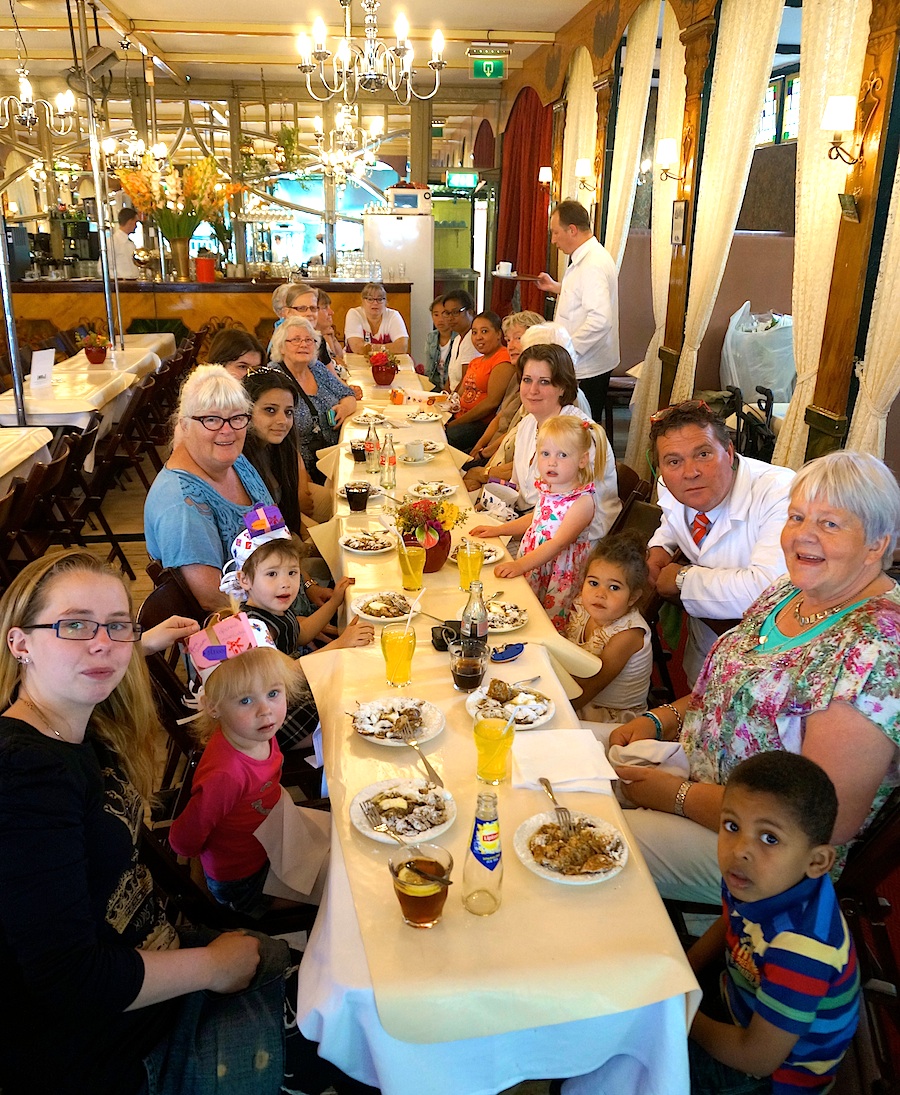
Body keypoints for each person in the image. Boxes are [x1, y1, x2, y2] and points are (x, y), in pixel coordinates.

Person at [0, 549, 370, 1095]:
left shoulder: (77, 724)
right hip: (126, 1047)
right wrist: (213, 966)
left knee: (350, 970)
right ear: (20, 643)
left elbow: (105, 655)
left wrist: (142, 642)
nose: (101, 644)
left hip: (167, 953)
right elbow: (69, 979)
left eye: (116, 625)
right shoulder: (23, 778)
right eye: (74, 624)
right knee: (359, 1036)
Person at [610, 450, 900, 905]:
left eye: (829, 524)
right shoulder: (791, 591)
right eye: (797, 517)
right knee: (557, 761)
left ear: (876, 544)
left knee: (584, 828)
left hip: (766, 854)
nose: (803, 535)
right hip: (694, 768)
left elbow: (820, 819)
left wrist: (679, 796)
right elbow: (731, 685)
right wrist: (659, 719)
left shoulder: (876, 648)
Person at [688, 753, 859, 1095]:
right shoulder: (756, 880)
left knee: (639, 1061)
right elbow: (731, 923)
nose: (740, 850)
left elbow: (756, 1059)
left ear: (817, 861)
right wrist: (683, 968)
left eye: (769, 838)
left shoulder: (803, 950)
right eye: (732, 826)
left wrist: (681, 1014)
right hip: (739, 1000)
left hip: (774, 1077)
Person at [646, 400, 795, 684]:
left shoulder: (780, 493)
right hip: (705, 644)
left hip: (763, 663)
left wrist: (681, 580)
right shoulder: (669, 482)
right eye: (674, 461)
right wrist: (660, 546)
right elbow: (671, 516)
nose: (690, 472)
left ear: (728, 452)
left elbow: (767, 589)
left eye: (703, 454)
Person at [170, 644, 309, 916]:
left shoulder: (257, 734)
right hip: (243, 882)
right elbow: (182, 840)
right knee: (337, 893)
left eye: (273, 693)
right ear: (213, 707)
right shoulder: (226, 774)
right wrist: (208, 859)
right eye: (245, 700)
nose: (265, 710)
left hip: (270, 843)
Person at [471, 415, 604, 632]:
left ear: (582, 460)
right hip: (535, 563)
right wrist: (498, 530)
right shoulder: (549, 487)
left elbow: (558, 544)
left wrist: (520, 565)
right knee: (525, 612)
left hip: (557, 575)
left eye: (562, 455)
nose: (552, 462)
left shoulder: (582, 501)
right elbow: (537, 518)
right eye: (545, 453)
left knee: (546, 623)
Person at [477, 343, 620, 540]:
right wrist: (489, 505)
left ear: (562, 387)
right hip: (530, 522)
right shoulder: (527, 424)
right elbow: (517, 487)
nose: (532, 390)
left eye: (544, 382)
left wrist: (502, 530)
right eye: (527, 380)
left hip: (573, 539)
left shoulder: (580, 435)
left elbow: (561, 515)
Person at [536, 199, 619, 421]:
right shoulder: (587, 258)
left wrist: (567, 350)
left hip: (587, 366)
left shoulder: (592, 263)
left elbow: (600, 320)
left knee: (579, 428)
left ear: (572, 230)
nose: (553, 240)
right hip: (585, 362)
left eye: (556, 233)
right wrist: (556, 287)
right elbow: (582, 295)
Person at [567, 533, 653, 723]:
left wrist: (551, 710)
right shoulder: (585, 608)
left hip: (609, 715)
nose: (600, 594)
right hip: (579, 691)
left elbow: (593, 686)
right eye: (593, 583)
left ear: (633, 597)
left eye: (614, 587)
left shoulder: (627, 634)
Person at [268, 316, 356, 489]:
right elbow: (275, 439)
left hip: (332, 461)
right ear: (281, 347)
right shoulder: (274, 377)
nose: (304, 344)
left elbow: (348, 394)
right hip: (299, 472)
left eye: (309, 340)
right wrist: (301, 478)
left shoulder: (316, 368)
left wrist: (345, 407)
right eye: (296, 340)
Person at [241, 367, 314, 532]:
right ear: (245, 411)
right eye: (270, 410)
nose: (282, 420)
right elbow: (258, 531)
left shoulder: (276, 449)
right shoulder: (240, 463)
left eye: (288, 412)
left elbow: (287, 517)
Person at [446, 311, 514, 452]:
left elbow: (491, 403)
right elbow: (459, 394)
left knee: (445, 436)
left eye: (484, 331)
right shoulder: (476, 361)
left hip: (479, 423)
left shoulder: (503, 359)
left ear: (498, 334)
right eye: (474, 332)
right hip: (460, 416)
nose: (478, 337)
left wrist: (455, 423)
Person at [345, 283, 409, 355]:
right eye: (370, 299)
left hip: (387, 361)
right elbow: (357, 347)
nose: (375, 303)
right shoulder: (354, 313)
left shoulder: (393, 315)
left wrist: (373, 348)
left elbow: (402, 347)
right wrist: (386, 348)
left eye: (380, 299)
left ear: (385, 302)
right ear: (362, 301)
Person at [442, 288, 477, 391]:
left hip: (463, 397)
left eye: (455, 312)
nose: (450, 318)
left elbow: (466, 381)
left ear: (470, 312)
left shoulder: (472, 338)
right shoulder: (457, 339)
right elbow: (451, 380)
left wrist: (451, 399)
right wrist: (442, 395)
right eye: (447, 313)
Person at [423, 294, 457, 391]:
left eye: (444, 314)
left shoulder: (458, 338)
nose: (440, 319)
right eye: (436, 314)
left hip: (453, 390)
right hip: (435, 389)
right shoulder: (431, 337)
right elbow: (428, 371)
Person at [104, 207, 143, 279]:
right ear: (130, 222)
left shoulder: (130, 243)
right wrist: (120, 280)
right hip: (121, 283)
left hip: (133, 282)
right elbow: (103, 269)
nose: (136, 226)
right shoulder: (112, 242)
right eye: (135, 222)